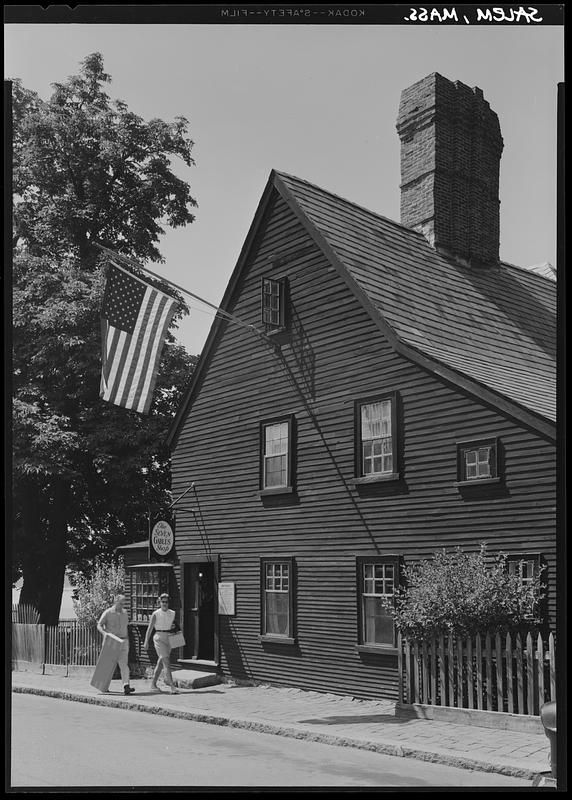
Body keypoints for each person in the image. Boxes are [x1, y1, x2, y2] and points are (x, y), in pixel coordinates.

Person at [96, 594, 135, 695]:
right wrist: (104, 633)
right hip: (112, 641)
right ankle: (103, 686)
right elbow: (99, 625)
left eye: (124, 603)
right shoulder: (108, 612)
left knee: (124, 665)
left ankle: (126, 686)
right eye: (121, 603)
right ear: (115, 602)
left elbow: (126, 627)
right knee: (108, 666)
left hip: (123, 641)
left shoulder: (125, 613)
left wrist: (127, 641)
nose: (122, 605)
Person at [144, 593, 180, 694]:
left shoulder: (172, 613)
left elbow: (174, 627)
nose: (164, 604)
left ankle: (153, 685)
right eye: (162, 602)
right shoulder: (156, 614)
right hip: (159, 637)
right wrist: (146, 641)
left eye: (166, 602)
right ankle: (172, 686)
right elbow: (150, 628)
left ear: (168, 603)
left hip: (168, 638)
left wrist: (177, 639)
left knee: (161, 662)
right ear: (159, 602)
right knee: (166, 661)